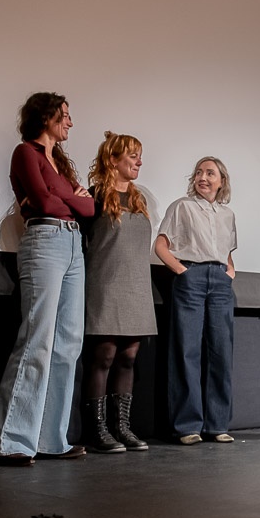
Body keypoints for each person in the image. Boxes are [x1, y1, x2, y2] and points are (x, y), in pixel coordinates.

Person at [0, 92, 93, 465]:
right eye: (64, 115)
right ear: (45, 117)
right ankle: (15, 441)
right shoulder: (26, 153)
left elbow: (89, 207)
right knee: (38, 340)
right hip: (45, 240)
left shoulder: (61, 163)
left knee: (68, 345)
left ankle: (52, 439)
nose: (69, 122)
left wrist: (61, 194)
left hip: (72, 244)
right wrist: (67, 196)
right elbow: (47, 203)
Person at [81, 132, 157, 453]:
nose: (139, 161)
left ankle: (121, 427)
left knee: (128, 357)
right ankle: (96, 431)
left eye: (139, 155)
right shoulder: (94, 196)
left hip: (136, 286)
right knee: (105, 356)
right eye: (132, 156)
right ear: (113, 160)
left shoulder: (139, 200)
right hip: (105, 283)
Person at [154, 156, 238, 445]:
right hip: (191, 277)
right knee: (187, 350)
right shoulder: (182, 207)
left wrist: (229, 272)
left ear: (221, 181)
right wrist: (181, 271)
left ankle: (218, 424)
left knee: (221, 352)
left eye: (210, 173)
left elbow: (226, 251)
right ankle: (188, 425)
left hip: (220, 282)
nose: (203, 177)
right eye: (199, 172)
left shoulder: (228, 215)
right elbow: (161, 245)